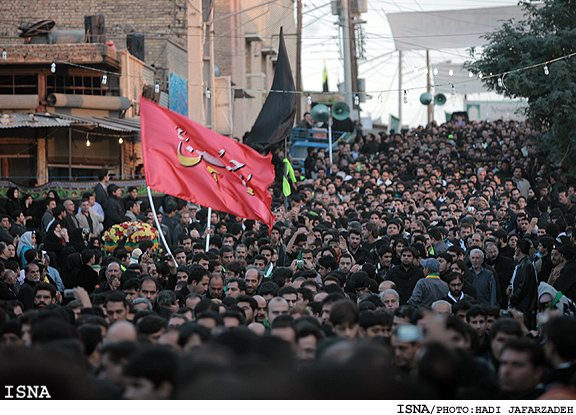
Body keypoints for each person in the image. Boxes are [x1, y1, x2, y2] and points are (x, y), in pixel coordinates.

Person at [507, 239, 538, 330]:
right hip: (522, 306)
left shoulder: (526, 265)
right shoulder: (523, 264)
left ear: (518, 249)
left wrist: (513, 300)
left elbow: (522, 287)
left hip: (524, 307)